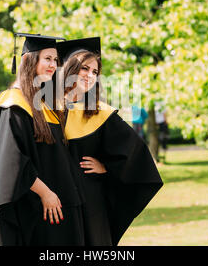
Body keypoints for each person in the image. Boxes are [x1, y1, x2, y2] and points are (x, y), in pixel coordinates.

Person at [57, 37, 164, 246]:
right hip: (55, 199)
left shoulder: (99, 114)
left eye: (95, 72)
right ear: (69, 69)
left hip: (90, 201)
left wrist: (107, 168)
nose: (90, 76)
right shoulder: (47, 109)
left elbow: (136, 154)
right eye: (84, 69)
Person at [0, 33, 86, 246]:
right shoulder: (14, 106)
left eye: (55, 60)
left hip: (63, 205)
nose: (53, 65)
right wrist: (46, 193)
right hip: (38, 209)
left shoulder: (45, 104)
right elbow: (13, 162)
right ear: (27, 60)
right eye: (47, 59)